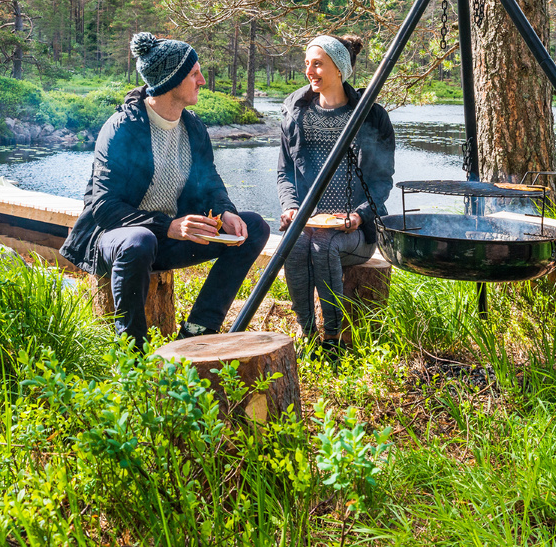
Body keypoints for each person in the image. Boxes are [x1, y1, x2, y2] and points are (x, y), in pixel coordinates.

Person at [61, 31, 271, 347]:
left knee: (253, 227)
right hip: (116, 241)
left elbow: (210, 181)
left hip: (169, 242)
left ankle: (199, 329)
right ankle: (133, 351)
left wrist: (225, 211)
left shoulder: (193, 128)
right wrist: (168, 226)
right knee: (139, 241)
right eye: (194, 74)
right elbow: (104, 207)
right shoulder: (122, 129)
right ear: (171, 80)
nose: (202, 81)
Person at [277, 35, 394, 349]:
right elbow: (284, 173)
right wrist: (290, 206)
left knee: (324, 246)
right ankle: (306, 332)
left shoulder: (371, 116)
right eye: (307, 64)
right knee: (295, 244)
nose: (309, 71)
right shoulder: (295, 113)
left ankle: (332, 335)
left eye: (318, 63)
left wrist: (359, 215)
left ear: (340, 69)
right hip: (310, 222)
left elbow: (381, 182)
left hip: (354, 231)